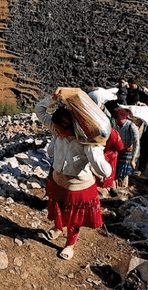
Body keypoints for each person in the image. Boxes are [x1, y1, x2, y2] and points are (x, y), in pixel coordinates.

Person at [36, 89, 112, 260]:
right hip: (58, 179)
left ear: (69, 127)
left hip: (77, 186)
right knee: (57, 207)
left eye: (58, 129)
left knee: (73, 219)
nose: (55, 132)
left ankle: (70, 244)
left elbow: (105, 171)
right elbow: (39, 111)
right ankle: (57, 227)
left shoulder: (87, 141)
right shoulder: (58, 132)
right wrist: (52, 100)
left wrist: (93, 153)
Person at [113, 108, 140, 192]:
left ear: (124, 118)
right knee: (117, 170)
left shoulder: (131, 126)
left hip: (128, 152)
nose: (117, 121)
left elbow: (136, 143)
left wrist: (133, 159)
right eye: (116, 119)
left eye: (119, 119)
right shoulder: (115, 125)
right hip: (119, 150)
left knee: (124, 172)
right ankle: (117, 187)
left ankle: (123, 189)